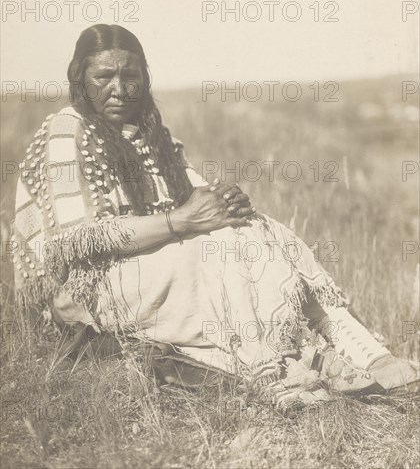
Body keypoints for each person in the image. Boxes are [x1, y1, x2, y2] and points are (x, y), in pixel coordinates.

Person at [12, 24, 419, 406]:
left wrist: (226, 202)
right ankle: (276, 367)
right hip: (87, 289)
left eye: (130, 75)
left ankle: (362, 349)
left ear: (144, 78)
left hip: (152, 265)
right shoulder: (68, 130)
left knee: (257, 229)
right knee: (218, 248)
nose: (119, 89)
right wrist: (182, 222)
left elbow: (193, 195)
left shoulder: (149, 129)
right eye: (103, 77)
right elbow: (78, 242)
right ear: (79, 79)